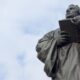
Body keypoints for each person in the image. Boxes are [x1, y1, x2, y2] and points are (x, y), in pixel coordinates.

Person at [36, 4, 80, 80]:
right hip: (62, 70)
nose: (68, 11)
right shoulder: (54, 33)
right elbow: (39, 46)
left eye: (72, 8)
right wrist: (55, 42)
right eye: (67, 10)